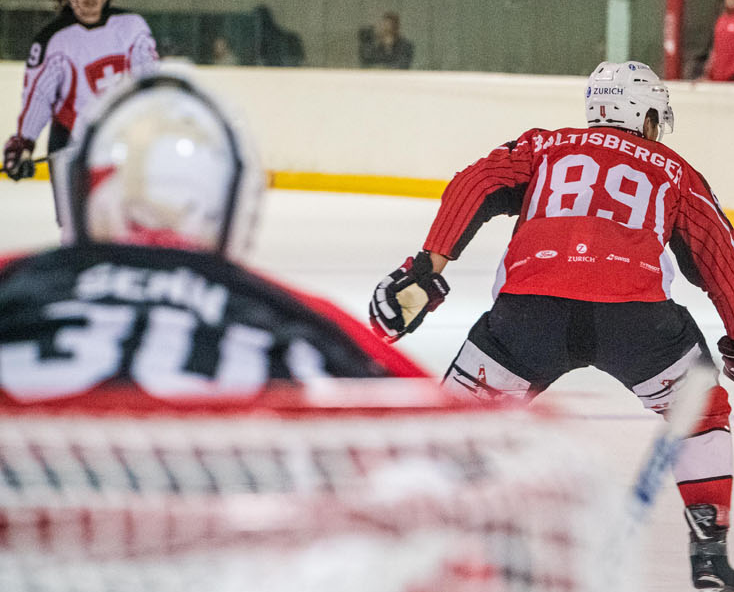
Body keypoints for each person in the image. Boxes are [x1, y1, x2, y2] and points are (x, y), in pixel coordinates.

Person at [366, 61, 734, 592]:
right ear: (644, 115)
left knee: (458, 426)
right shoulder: (674, 170)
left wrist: (427, 267)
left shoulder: (543, 146)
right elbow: (727, 267)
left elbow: (474, 182)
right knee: (701, 409)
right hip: (636, 319)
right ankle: (709, 547)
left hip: (528, 313)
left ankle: (409, 550)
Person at [1, 69, 424, 402]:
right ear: (237, 209)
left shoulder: (16, 280)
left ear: (78, 196)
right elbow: (434, 415)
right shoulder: (303, 318)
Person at [5, 0, 158, 183]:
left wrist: (159, 122)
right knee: (77, 208)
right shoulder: (53, 40)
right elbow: (39, 97)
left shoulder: (131, 26)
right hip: (70, 143)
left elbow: (150, 80)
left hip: (124, 143)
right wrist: (23, 143)